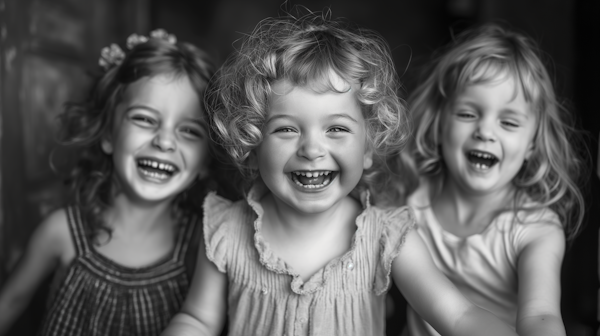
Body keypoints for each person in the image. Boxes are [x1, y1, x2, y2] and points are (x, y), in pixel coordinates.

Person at [161, 12, 520, 336]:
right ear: (253, 147)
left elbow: (457, 317)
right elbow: (198, 320)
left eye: (336, 129)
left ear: (367, 148)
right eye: (287, 129)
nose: (312, 149)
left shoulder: (388, 237)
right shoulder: (226, 232)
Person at [0, 29, 220, 336]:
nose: (165, 141)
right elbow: (8, 305)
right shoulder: (60, 233)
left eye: (190, 131)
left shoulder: (205, 246)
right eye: (144, 119)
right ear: (106, 134)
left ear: (205, 162)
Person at [400, 23, 586, 336]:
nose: (485, 131)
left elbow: (540, 315)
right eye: (467, 114)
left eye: (509, 122)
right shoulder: (409, 200)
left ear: (531, 144)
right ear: (439, 124)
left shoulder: (535, 228)